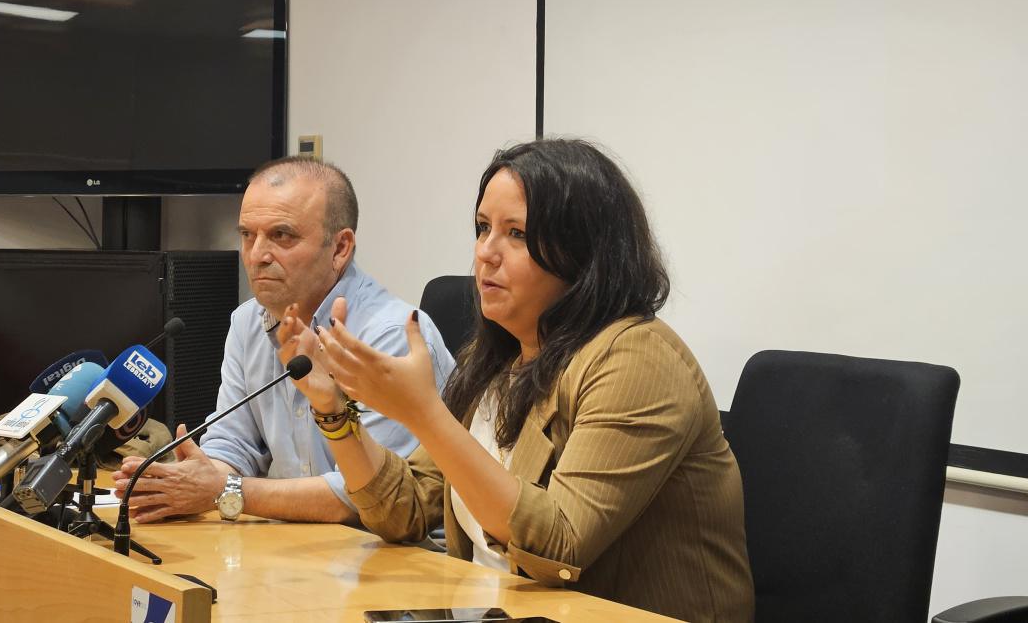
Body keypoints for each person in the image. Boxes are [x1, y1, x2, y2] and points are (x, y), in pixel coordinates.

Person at [300, 140, 754, 621]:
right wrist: (333, 410)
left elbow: (560, 548)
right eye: (482, 228)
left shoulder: (637, 359)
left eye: (516, 233)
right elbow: (404, 509)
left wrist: (425, 414)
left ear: (584, 251)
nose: (485, 254)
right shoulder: (496, 357)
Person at [112, 157, 455, 524]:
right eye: (247, 235)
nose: (257, 255)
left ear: (340, 248)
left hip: (392, 559)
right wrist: (189, 479)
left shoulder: (388, 336)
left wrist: (224, 492)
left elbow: (373, 499)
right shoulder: (248, 322)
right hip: (294, 546)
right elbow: (234, 444)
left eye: (282, 236)